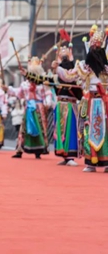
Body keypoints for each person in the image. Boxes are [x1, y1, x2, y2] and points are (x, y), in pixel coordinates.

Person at [59, 26, 108, 172]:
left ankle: (106, 162)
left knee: (106, 131)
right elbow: (68, 76)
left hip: (104, 102)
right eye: (93, 45)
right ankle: (90, 162)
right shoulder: (83, 67)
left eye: (98, 46)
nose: (95, 47)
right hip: (90, 102)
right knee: (88, 130)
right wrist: (58, 69)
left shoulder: (106, 69)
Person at [11, 57, 53, 159]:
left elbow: (48, 94)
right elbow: (19, 94)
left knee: (40, 128)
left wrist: (48, 103)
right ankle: (20, 149)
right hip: (29, 107)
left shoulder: (43, 84)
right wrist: (9, 90)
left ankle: (39, 150)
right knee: (23, 129)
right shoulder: (24, 84)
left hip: (39, 107)